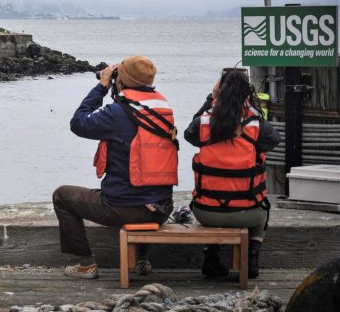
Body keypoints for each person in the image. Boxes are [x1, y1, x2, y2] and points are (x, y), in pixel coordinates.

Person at [53, 55, 178, 279]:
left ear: (123, 79)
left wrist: (101, 87)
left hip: (124, 209)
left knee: (62, 196)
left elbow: (79, 123)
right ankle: (142, 259)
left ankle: (85, 264)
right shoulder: (163, 106)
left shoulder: (118, 113)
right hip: (161, 208)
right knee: (146, 188)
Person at [184, 69, 280, 279]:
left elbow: (189, 133)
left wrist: (211, 99)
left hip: (206, 212)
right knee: (264, 208)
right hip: (248, 213)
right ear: (247, 93)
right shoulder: (256, 125)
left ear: (219, 91)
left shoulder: (203, 124)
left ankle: (211, 257)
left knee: (211, 199)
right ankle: (252, 259)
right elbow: (272, 141)